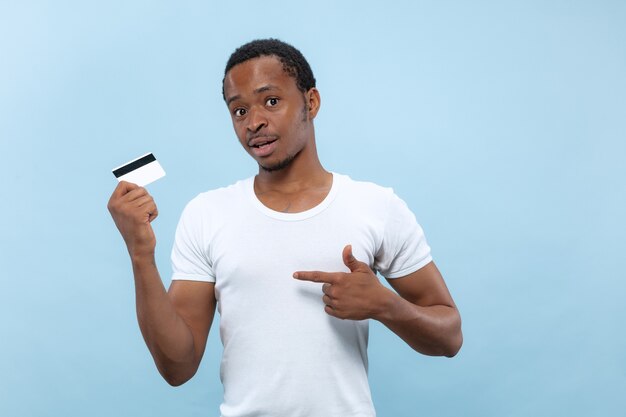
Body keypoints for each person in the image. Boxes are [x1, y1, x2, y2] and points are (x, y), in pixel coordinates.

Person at [108, 38, 462, 417]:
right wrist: (140, 255)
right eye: (239, 110)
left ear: (311, 102)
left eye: (271, 101)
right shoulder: (207, 213)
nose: (254, 122)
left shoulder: (376, 206)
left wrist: (386, 305)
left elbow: (449, 335)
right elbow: (178, 367)